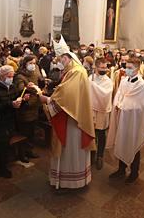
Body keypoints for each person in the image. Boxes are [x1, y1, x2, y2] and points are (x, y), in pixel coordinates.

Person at [38, 36, 96, 191]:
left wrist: (48, 99)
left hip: (73, 119)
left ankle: (71, 181)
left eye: (58, 59)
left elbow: (67, 97)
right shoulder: (71, 70)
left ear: (66, 58)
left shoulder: (76, 72)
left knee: (71, 149)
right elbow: (67, 92)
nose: (57, 62)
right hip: (71, 114)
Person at [106, 57, 144, 184]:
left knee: (133, 144)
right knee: (121, 140)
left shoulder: (141, 85)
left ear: (137, 69)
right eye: (126, 67)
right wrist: (117, 104)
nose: (126, 70)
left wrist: (123, 105)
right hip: (122, 117)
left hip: (134, 120)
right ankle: (121, 169)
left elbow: (142, 104)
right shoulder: (124, 80)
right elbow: (120, 95)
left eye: (129, 68)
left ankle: (134, 172)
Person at [14, 54, 42, 163]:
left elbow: (36, 87)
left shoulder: (33, 75)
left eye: (34, 63)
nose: (32, 65)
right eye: (30, 63)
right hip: (25, 109)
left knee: (31, 132)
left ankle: (29, 150)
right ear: (25, 64)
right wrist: (27, 88)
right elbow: (20, 89)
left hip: (34, 107)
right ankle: (22, 153)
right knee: (24, 132)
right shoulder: (20, 76)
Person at [88, 57, 113, 170]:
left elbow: (106, 94)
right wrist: (91, 85)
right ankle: (91, 154)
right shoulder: (90, 78)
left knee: (101, 134)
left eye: (105, 67)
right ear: (96, 67)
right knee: (91, 134)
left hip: (102, 111)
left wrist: (93, 87)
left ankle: (100, 156)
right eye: (102, 67)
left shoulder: (107, 80)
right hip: (91, 110)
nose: (104, 69)